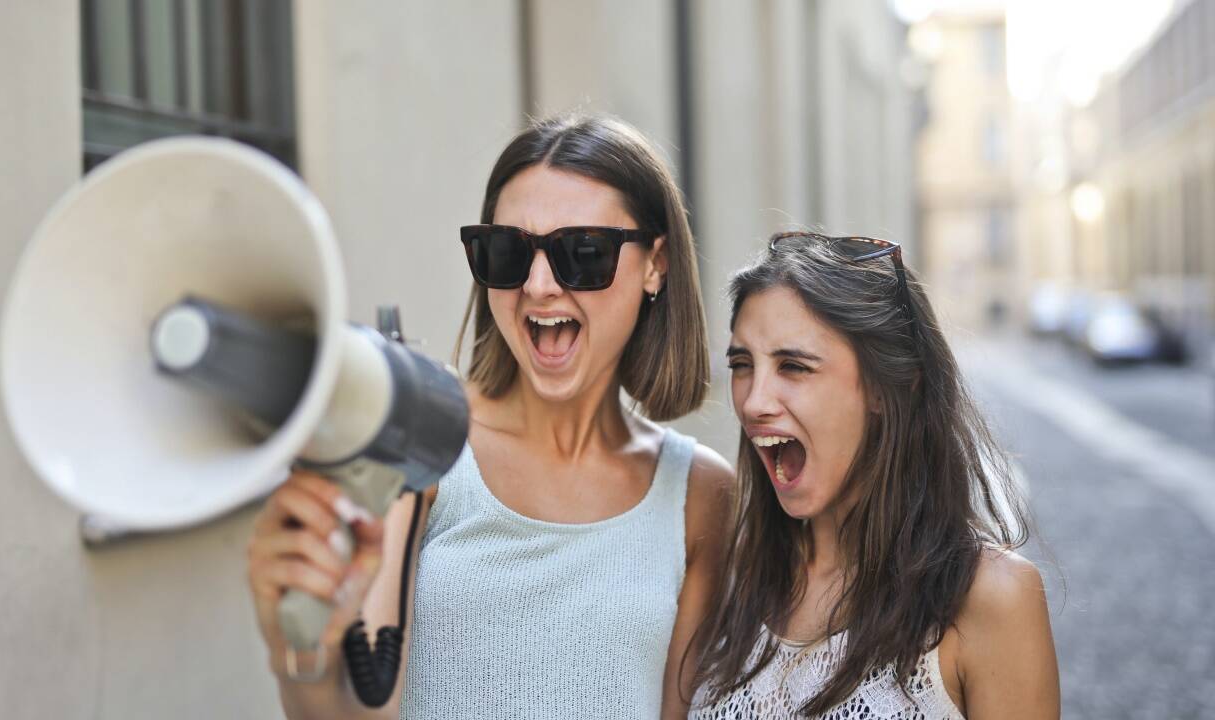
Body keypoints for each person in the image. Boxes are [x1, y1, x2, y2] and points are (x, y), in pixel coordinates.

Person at [246, 113, 734, 719]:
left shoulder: (701, 496)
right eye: (505, 252)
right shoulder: (425, 440)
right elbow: (357, 709)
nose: (537, 285)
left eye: (581, 253)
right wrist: (303, 656)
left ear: (655, 264)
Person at [688, 231, 1060, 719]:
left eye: (794, 366)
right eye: (742, 364)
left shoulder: (990, 599)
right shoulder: (730, 576)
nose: (754, 402)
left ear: (889, 388)